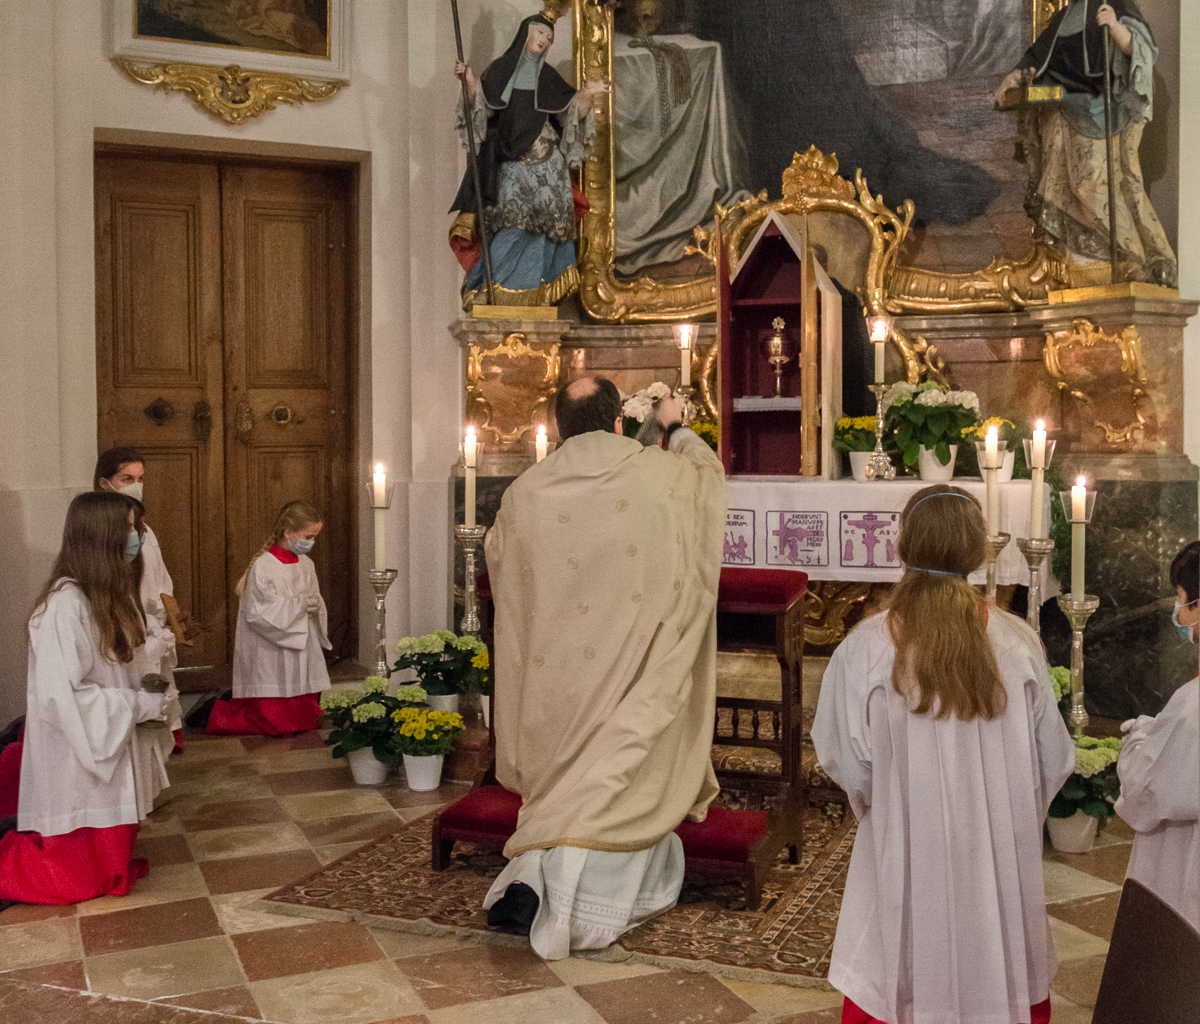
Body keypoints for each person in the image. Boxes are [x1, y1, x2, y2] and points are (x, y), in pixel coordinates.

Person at [811, 485, 1076, 1024]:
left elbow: (845, 759)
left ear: (902, 545)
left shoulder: (866, 647)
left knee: (901, 953)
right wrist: (1005, 817)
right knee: (997, 947)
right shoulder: (1017, 642)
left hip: (906, 840)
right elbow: (1052, 758)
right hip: (997, 846)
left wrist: (887, 807)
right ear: (978, 550)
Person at [482, 376, 726, 959]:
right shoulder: (665, 475)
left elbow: (499, 559)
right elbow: (708, 482)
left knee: (563, 784)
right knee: (620, 778)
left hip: (556, 679)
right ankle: (570, 903)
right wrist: (676, 429)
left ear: (558, 429)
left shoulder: (526, 490)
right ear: (618, 421)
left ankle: (531, 876)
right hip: (635, 668)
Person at [0, 491, 174, 904]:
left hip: (109, 741)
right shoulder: (65, 606)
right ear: (101, 536)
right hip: (78, 751)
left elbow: (115, 665)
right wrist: (136, 705)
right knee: (72, 880)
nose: (136, 537)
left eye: (136, 527)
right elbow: (63, 698)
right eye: (128, 529)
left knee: (107, 866)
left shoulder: (106, 594)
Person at [993, 0, 1177, 286]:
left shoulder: (1117, 6)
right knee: (1067, 184)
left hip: (1103, 111)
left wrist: (1115, 27)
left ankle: (1131, 259)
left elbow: (1141, 50)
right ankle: (1092, 263)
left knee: (1095, 184)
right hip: (1065, 109)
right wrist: (1014, 77)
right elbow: (1039, 55)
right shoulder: (1066, 16)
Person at [448, 14, 607, 307]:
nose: (545, 40)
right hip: (512, 159)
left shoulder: (547, 76)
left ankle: (534, 293)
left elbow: (572, 111)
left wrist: (588, 94)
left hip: (549, 164)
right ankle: (492, 288)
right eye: (540, 32)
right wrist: (468, 79)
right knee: (514, 223)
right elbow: (480, 104)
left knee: (546, 227)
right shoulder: (500, 70)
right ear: (526, 33)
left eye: (549, 37)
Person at [1114, 540, 1199, 931]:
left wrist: (1139, 738)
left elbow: (1147, 797)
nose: (1178, 612)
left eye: (1181, 599)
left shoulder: (1192, 703)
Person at [207, 500, 331, 736]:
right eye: (309, 536)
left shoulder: (306, 563)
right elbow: (258, 613)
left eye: (315, 537)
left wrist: (316, 604)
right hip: (270, 646)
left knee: (305, 715)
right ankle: (217, 713)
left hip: (301, 638)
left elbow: (312, 597)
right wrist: (300, 605)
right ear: (288, 533)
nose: (312, 542)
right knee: (274, 719)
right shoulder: (264, 565)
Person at [95, 447, 182, 751]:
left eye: (140, 478)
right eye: (127, 478)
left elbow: (160, 578)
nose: (136, 485)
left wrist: (163, 616)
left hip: (151, 626)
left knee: (158, 701)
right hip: (126, 629)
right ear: (105, 483)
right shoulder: (99, 530)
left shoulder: (145, 530)